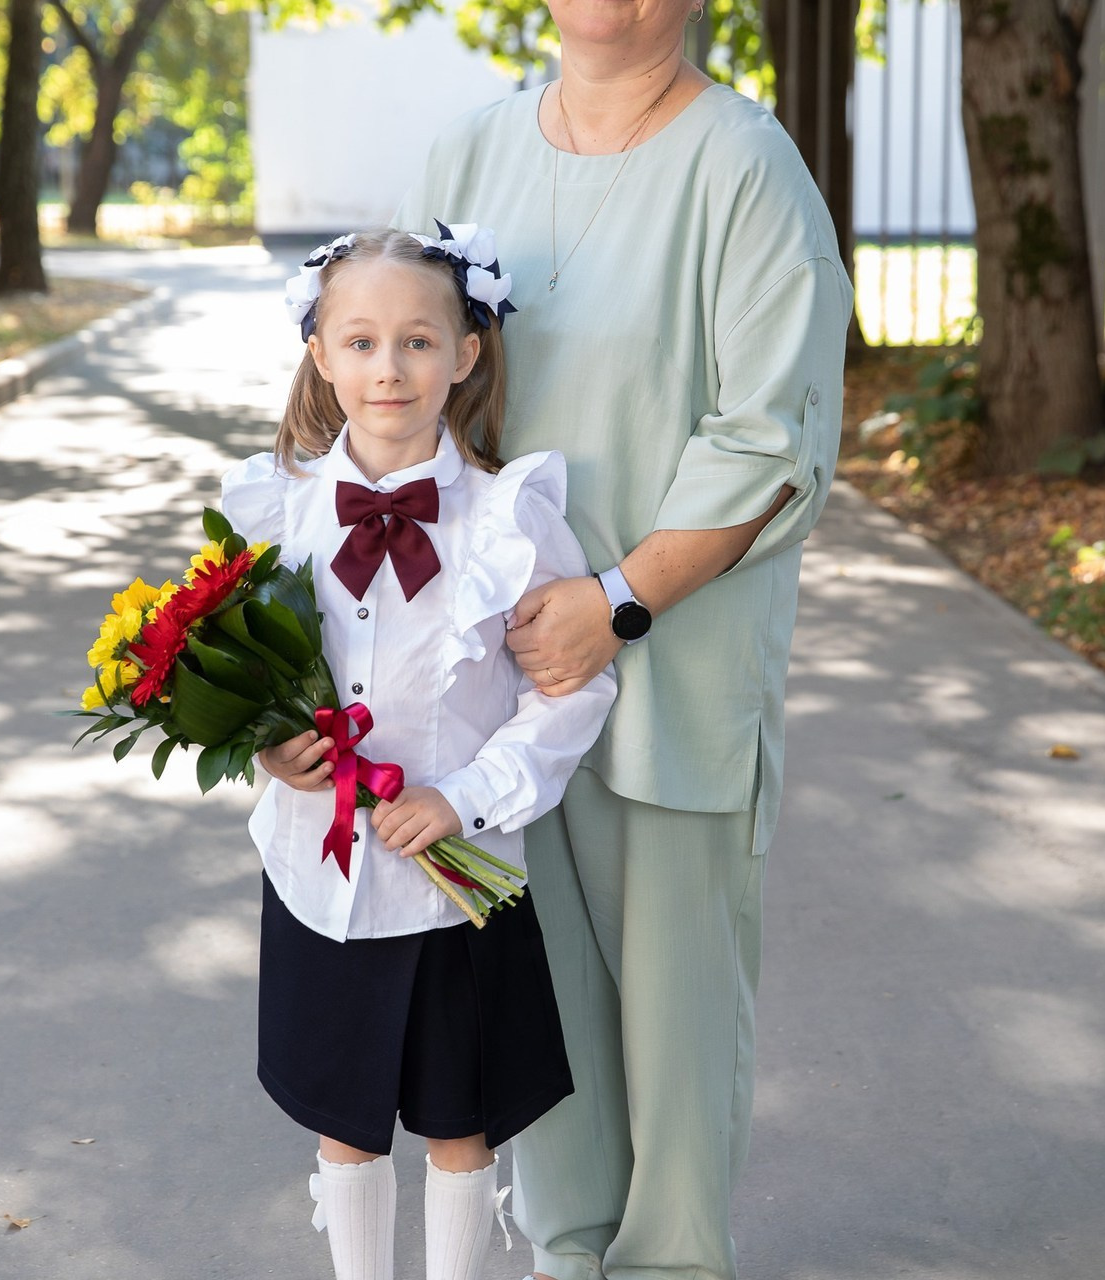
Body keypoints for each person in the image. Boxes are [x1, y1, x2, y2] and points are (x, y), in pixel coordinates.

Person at [392, 5, 853, 1278]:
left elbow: (771, 440)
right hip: (499, 689)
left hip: (667, 671)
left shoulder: (746, 169)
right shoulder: (466, 159)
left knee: (673, 1020)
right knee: (536, 1012)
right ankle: (567, 1254)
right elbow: (397, 386)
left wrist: (616, 600)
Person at [220, 224, 617, 1280]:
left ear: (467, 351)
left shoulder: (509, 519)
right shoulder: (280, 513)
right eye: (357, 342)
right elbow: (243, 673)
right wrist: (267, 745)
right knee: (341, 1117)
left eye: (416, 342)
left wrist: (465, 798)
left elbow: (574, 689)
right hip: (321, 870)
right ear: (319, 353)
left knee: (459, 1122)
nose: (387, 369)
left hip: (452, 887)